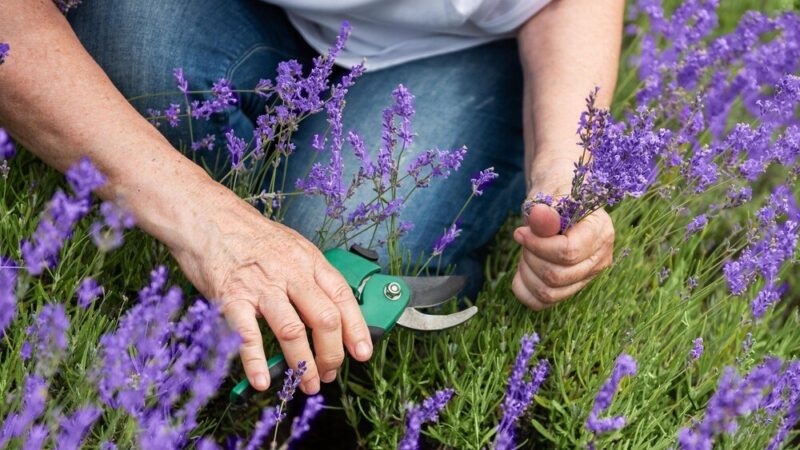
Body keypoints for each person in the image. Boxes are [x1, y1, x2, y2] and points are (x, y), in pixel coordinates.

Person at [0, 0, 621, 396]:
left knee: (346, 252)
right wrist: (207, 223)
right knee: (134, 60)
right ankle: (247, 183)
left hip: (448, 50)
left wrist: (566, 171)